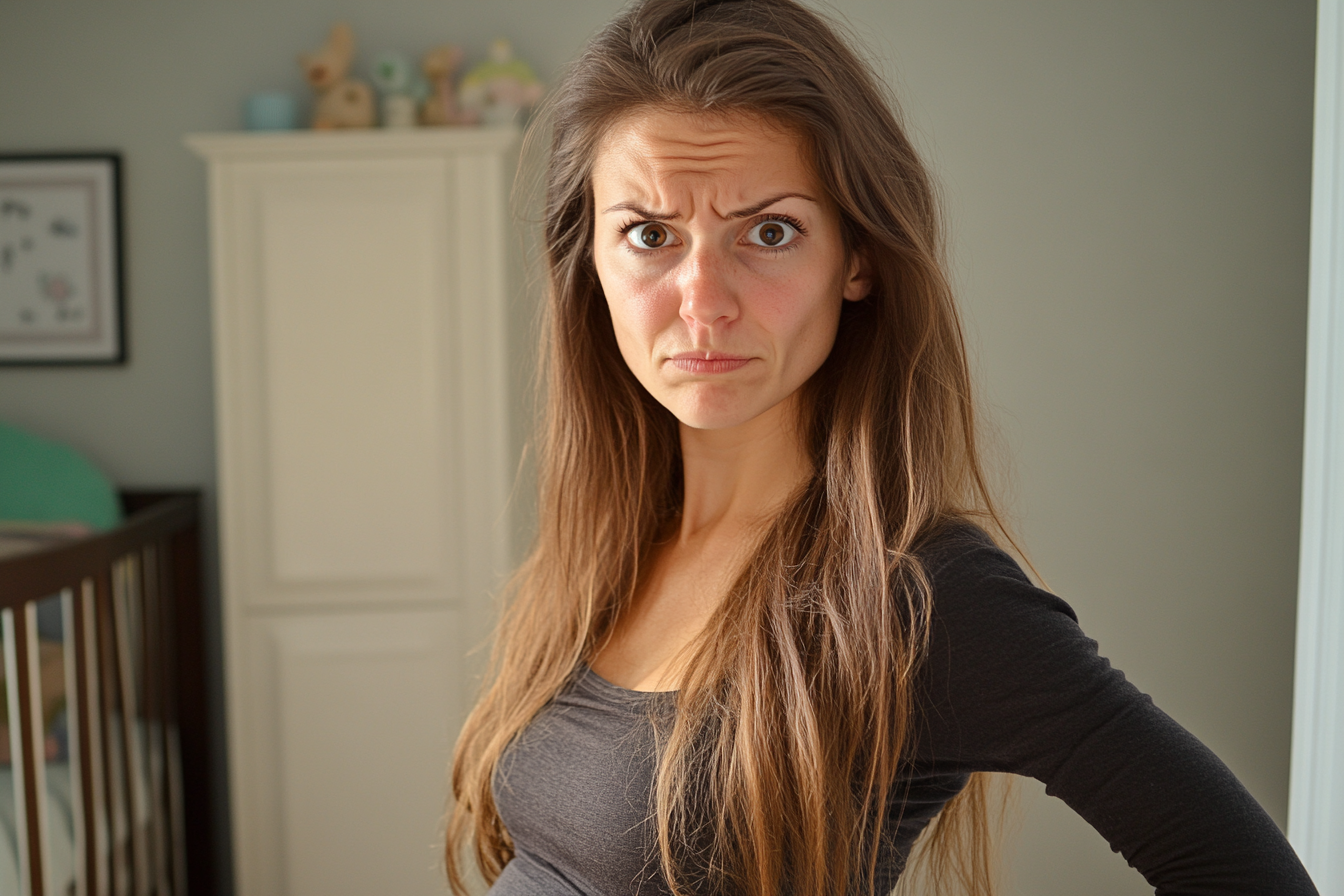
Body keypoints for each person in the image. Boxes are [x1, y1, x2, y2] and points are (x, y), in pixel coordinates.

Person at [444, 1, 1319, 894]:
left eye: (769, 232)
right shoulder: (619, 541)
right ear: (589, 260)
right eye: (650, 236)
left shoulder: (919, 592)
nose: (702, 301)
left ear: (856, 258)